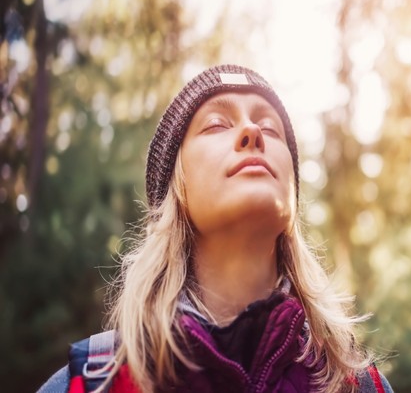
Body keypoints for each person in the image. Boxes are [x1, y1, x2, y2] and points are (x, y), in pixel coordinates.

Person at [38, 65, 392, 393]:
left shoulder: (357, 383)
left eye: (270, 128)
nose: (253, 132)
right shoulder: (90, 382)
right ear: (175, 189)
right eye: (217, 125)